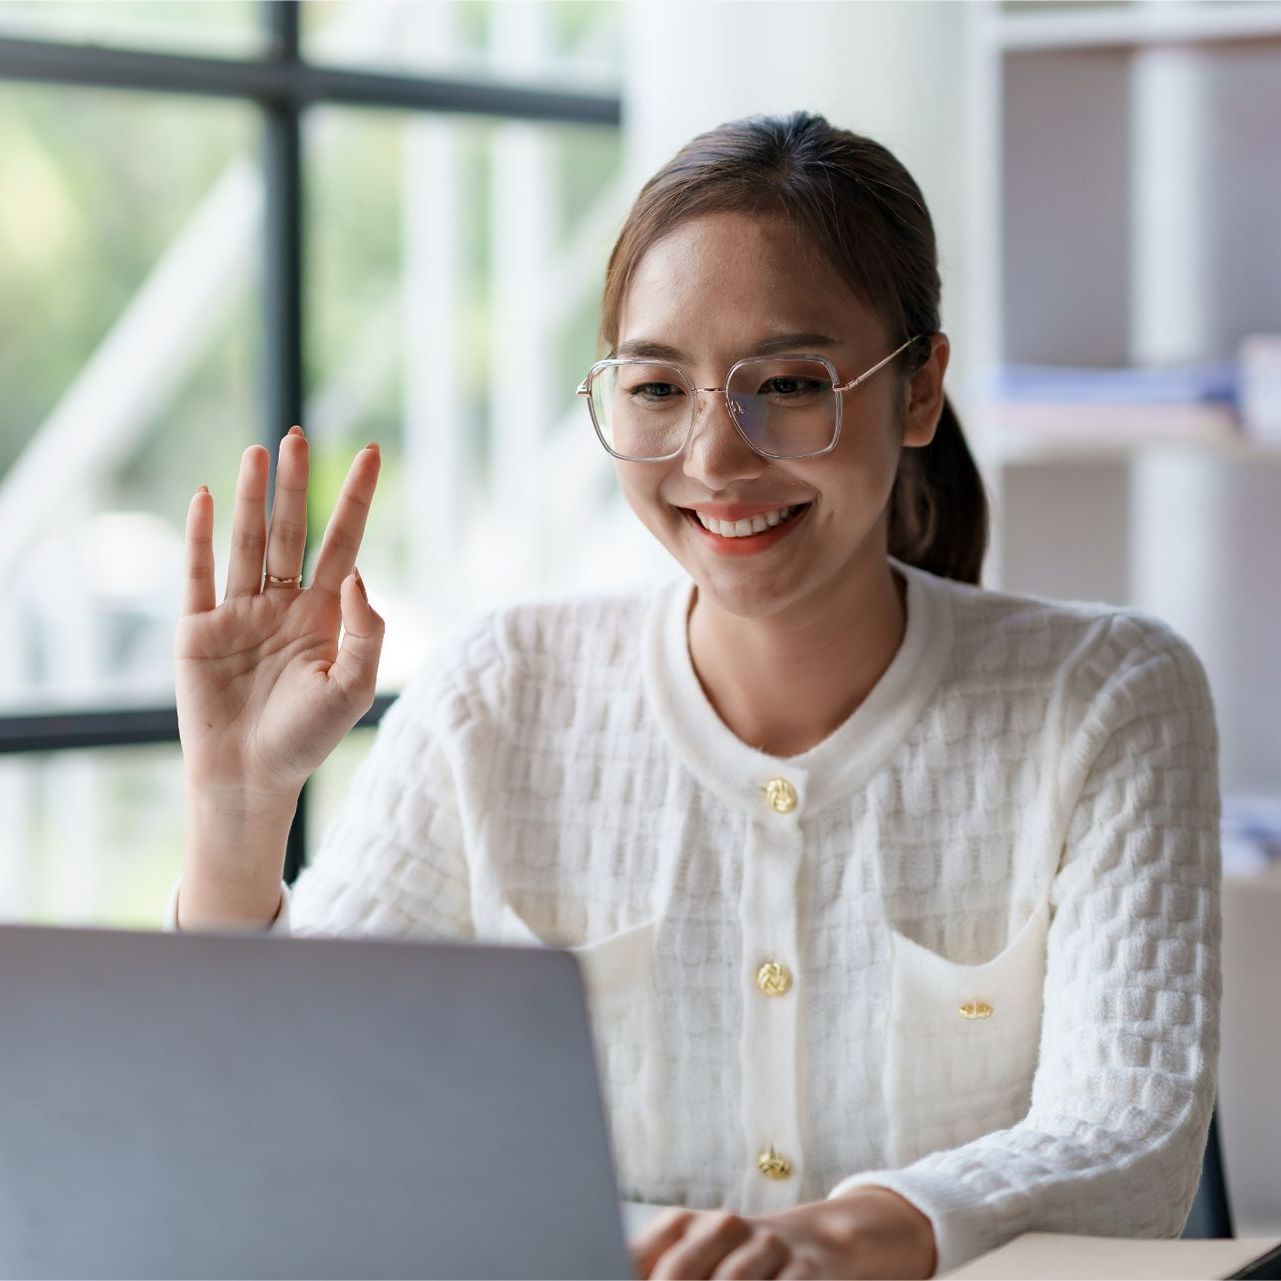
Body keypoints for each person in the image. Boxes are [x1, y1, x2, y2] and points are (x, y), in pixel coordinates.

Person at [169, 111, 1221, 1280]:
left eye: (788, 383)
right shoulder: (499, 696)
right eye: (658, 388)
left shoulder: (1111, 693)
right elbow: (279, 1104)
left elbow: (1132, 1141)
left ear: (918, 392)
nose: (716, 458)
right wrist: (238, 804)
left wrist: (817, 1247)